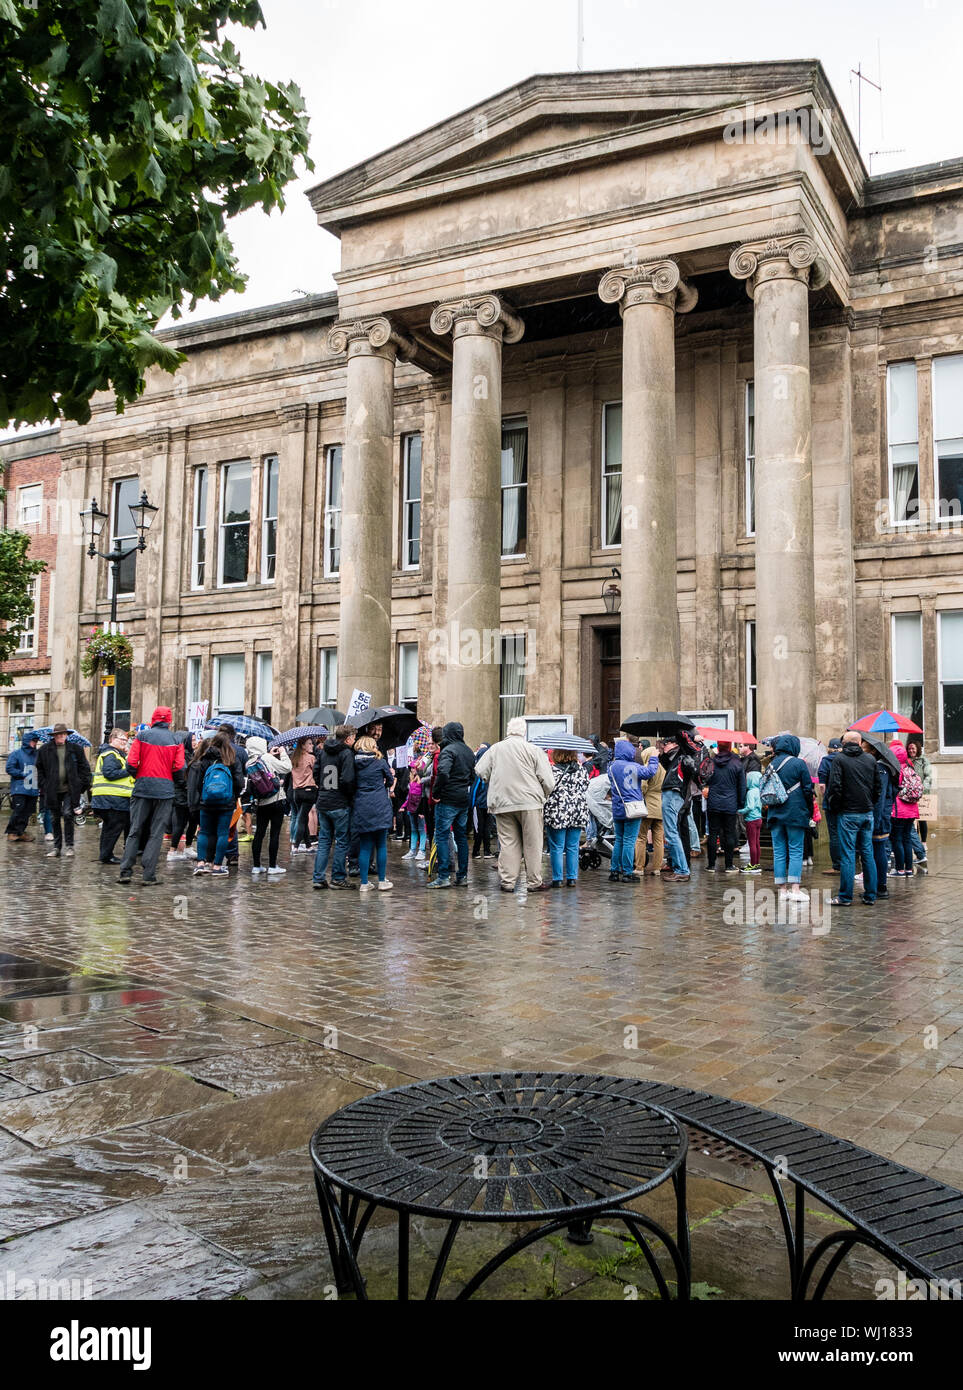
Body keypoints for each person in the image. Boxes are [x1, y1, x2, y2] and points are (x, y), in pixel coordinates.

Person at [474, 719, 555, 893]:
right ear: (524, 732)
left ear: (508, 731)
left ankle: (508, 881)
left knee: (508, 842)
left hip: (502, 802)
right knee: (533, 843)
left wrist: (491, 779)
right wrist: (544, 794)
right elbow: (548, 780)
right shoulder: (533, 750)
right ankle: (534, 882)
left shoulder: (495, 748)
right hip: (530, 802)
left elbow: (480, 770)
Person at [116, 708, 185, 885]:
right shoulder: (176, 739)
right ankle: (148, 875)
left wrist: (137, 776)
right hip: (165, 790)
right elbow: (178, 768)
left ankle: (126, 871)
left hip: (143, 787)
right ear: (169, 721)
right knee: (156, 833)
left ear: (153, 719)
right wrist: (174, 783)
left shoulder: (142, 736)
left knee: (135, 830)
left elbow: (131, 763)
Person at [825, 731, 881, 906]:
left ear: (844, 743)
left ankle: (845, 896)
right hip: (866, 812)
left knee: (848, 855)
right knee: (867, 853)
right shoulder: (870, 760)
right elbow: (877, 787)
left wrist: (836, 806)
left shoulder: (840, 760)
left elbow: (835, 787)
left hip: (848, 813)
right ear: (860, 742)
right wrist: (870, 803)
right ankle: (871, 894)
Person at [763, 734, 814, 901]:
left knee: (778, 852)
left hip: (775, 813)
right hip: (795, 813)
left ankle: (782, 890)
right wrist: (810, 810)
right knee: (796, 850)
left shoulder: (771, 763)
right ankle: (795, 889)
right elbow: (807, 790)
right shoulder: (799, 763)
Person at [188, 731, 245, 876]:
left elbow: (199, 783)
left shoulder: (206, 759)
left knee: (204, 832)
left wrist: (204, 797)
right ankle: (217, 866)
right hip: (226, 803)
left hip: (206, 802)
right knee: (222, 833)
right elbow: (239, 782)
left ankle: (201, 864)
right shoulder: (232, 760)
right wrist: (234, 796)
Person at [427, 721, 476, 889]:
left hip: (447, 799)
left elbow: (443, 772)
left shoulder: (447, 751)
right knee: (461, 837)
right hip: (463, 798)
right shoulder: (468, 751)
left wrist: (436, 793)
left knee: (441, 835)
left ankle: (443, 876)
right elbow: (472, 776)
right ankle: (462, 876)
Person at [36, 725, 92, 859]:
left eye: (63, 734)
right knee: (54, 817)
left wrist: (80, 786)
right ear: (54, 736)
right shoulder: (45, 750)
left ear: (67, 735)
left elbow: (85, 768)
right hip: (52, 789)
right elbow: (40, 769)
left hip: (70, 789)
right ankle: (57, 847)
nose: (61, 736)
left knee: (67, 814)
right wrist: (44, 785)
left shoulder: (75, 749)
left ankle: (70, 846)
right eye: (58, 734)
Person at [607, 738, 658, 882]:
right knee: (630, 841)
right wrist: (654, 757)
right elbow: (650, 772)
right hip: (633, 808)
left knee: (619, 840)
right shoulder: (634, 766)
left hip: (618, 808)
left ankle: (614, 871)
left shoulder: (611, 767)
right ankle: (628, 873)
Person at [313, 724, 356, 889]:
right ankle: (338, 877)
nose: (354, 741)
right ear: (347, 738)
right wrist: (348, 795)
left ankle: (318, 877)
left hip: (323, 800)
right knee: (342, 841)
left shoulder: (323, 751)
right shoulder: (346, 753)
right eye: (353, 737)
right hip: (339, 803)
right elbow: (348, 779)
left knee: (324, 840)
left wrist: (323, 788)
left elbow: (316, 773)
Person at [351, 735, 395, 891]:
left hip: (362, 806)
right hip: (379, 805)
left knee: (365, 846)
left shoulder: (354, 764)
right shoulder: (380, 762)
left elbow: (351, 783)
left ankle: (364, 883)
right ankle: (382, 881)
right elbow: (390, 780)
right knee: (381, 845)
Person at [245, 735, 293, 876]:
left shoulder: (249, 763)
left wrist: (269, 755)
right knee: (274, 834)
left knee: (259, 833)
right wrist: (283, 753)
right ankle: (272, 866)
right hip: (276, 799)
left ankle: (256, 866)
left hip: (261, 802)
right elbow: (287, 767)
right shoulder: (266, 758)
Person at [543, 748, 590, 886]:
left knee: (556, 846)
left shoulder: (552, 770)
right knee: (573, 846)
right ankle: (572, 878)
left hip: (558, 811)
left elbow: (547, 787)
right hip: (577, 810)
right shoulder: (581, 770)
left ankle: (557, 879)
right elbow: (586, 785)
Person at [658, 734, 700, 882]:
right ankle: (680, 868)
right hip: (673, 793)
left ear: (675, 744)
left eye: (667, 742)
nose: (665, 745)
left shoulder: (683, 754)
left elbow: (683, 737)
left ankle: (682, 870)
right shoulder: (676, 757)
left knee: (671, 833)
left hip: (674, 792)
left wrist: (692, 736)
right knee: (672, 833)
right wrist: (662, 751)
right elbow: (665, 762)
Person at [90, 728, 135, 864]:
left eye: (126, 740)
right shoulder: (111, 754)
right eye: (122, 739)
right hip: (112, 798)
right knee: (113, 828)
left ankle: (105, 854)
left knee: (109, 828)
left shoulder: (115, 754)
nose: (124, 742)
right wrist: (129, 770)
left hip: (109, 798)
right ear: (112, 739)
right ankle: (106, 855)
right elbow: (110, 773)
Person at [702, 741, 747, 873]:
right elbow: (742, 786)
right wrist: (740, 802)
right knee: (729, 833)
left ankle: (711, 865)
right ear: (729, 747)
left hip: (713, 802)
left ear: (718, 747)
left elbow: (705, 779)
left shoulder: (711, 762)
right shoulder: (737, 763)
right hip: (730, 803)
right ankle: (729, 865)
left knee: (713, 833)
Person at [889, 740, 922, 876]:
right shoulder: (910, 767)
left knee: (897, 839)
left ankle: (899, 869)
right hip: (912, 809)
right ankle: (909, 869)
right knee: (907, 838)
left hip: (899, 810)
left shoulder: (896, 770)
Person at [169, 731, 202, 860]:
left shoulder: (191, 755)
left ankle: (188, 847)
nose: (194, 742)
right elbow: (182, 777)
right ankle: (172, 851)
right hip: (182, 795)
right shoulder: (181, 756)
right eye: (192, 740)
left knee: (192, 821)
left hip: (189, 794)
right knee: (180, 823)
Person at [635, 744, 666, 875]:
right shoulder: (663, 769)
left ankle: (639, 867)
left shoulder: (647, 768)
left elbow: (643, 786)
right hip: (660, 805)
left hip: (648, 805)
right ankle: (657, 868)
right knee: (658, 840)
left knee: (641, 837)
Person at [5, 729, 40, 842]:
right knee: (19, 809)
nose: (34, 743)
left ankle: (20, 832)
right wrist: (21, 774)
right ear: (26, 741)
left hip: (33, 788)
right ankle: (12, 832)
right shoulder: (16, 754)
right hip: (20, 787)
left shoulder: (37, 755)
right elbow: (9, 768)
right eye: (32, 741)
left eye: (36, 741)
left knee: (28, 811)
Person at [817, 738, 844, 876]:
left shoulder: (826, 761)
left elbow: (822, 785)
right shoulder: (846, 759)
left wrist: (825, 796)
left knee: (834, 834)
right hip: (846, 803)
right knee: (846, 833)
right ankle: (847, 863)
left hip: (831, 803)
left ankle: (837, 866)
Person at [906, 736, 932, 871]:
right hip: (909, 794)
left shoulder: (923, 760)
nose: (911, 751)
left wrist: (923, 787)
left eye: (913, 748)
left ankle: (923, 842)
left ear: (918, 749)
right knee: (911, 820)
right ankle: (916, 845)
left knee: (922, 819)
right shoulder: (906, 761)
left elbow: (928, 776)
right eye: (909, 749)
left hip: (922, 793)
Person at [289, 738, 318, 852]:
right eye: (309, 744)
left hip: (297, 792)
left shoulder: (293, 758)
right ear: (302, 746)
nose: (312, 746)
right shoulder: (311, 758)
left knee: (303, 817)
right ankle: (296, 846)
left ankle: (308, 845)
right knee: (302, 818)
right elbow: (316, 772)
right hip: (309, 790)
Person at [469, 743, 496, 859]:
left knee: (479, 828)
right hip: (488, 804)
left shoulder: (478, 772)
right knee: (486, 828)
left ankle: (477, 851)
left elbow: (474, 790)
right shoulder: (492, 771)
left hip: (480, 804)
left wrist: (471, 804)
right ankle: (486, 851)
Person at [739, 769, 763, 874]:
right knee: (757, 843)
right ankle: (756, 863)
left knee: (752, 843)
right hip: (759, 819)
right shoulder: (759, 791)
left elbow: (750, 806)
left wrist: (740, 811)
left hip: (751, 820)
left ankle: (753, 866)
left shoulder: (750, 792)